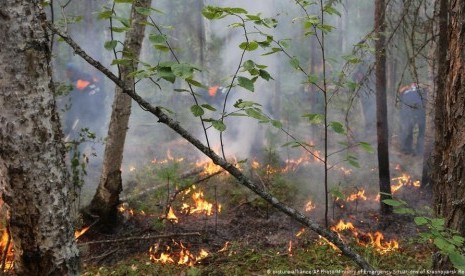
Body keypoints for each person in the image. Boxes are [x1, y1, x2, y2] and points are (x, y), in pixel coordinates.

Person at [63, 63, 106, 141]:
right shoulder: (90, 77)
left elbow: (72, 106)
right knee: (97, 138)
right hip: (100, 112)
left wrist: (69, 126)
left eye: (67, 72)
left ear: (71, 72)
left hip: (87, 116)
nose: (66, 75)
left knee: (80, 141)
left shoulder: (77, 84)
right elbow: (103, 94)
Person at [398, 83, 425, 155]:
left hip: (417, 112)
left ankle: (414, 150)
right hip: (411, 112)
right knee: (409, 130)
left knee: (410, 130)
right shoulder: (407, 91)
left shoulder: (420, 91)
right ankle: (409, 149)